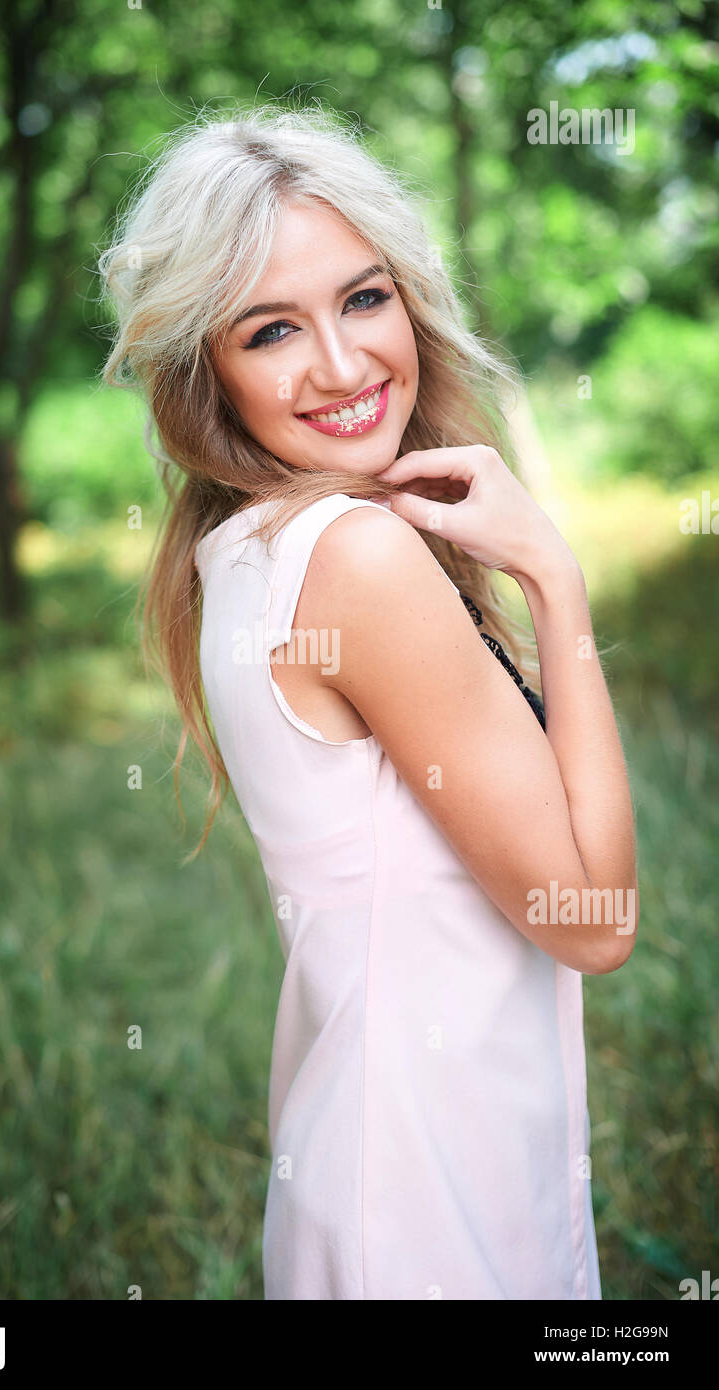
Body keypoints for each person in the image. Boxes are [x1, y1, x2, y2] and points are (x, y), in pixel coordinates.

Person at [97, 102, 639, 1301]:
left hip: (370, 1167)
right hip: (431, 1200)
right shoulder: (355, 558)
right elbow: (594, 920)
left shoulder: (240, 552)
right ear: (206, 371)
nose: (342, 366)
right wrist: (553, 578)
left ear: (411, 298)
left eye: (362, 298)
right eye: (270, 329)